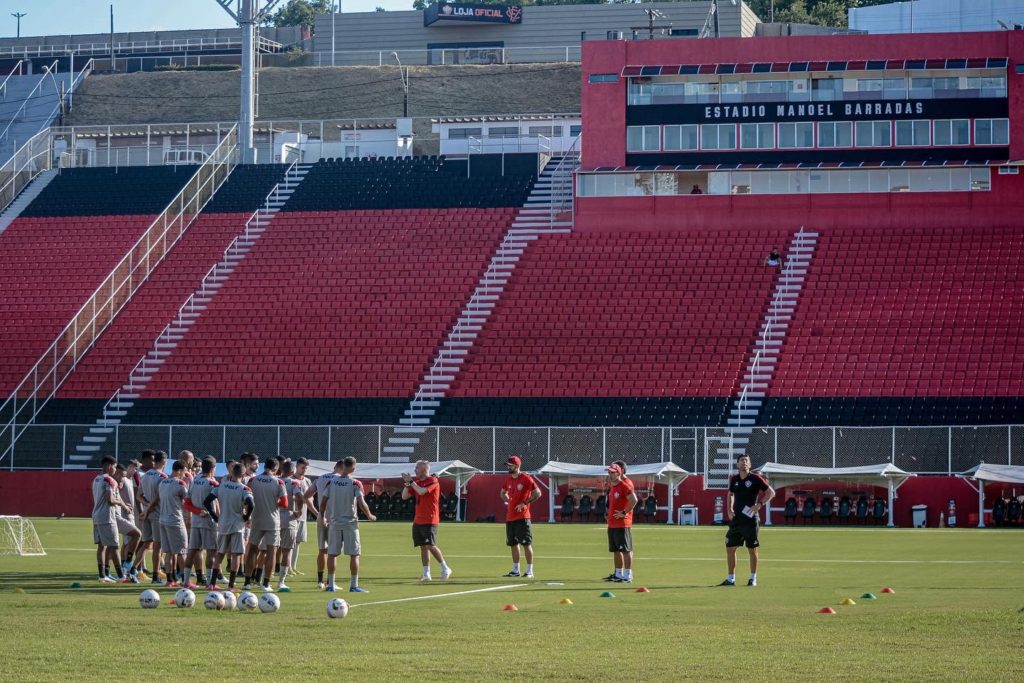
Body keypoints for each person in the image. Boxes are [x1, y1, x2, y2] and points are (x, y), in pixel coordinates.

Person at [320, 457, 377, 593]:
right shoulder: (355, 483)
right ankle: (354, 585)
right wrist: (369, 515)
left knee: (332, 554)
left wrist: (322, 516)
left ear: (343, 466)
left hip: (334, 523)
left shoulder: (331, 482)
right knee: (354, 554)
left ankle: (331, 585)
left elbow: (323, 501)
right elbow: (361, 502)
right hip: (350, 523)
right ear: (353, 468)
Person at [720, 455, 775, 587]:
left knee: (752, 549)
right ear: (737, 464)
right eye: (741, 461)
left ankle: (753, 578)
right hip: (737, 519)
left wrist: (760, 504)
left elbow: (771, 492)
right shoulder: (734, 479)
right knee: (730, 547)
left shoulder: (755, 478)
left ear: (749, 464)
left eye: (746, 461)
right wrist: (729, 509)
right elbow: (730, 494)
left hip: (750, 519)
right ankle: (731, 579)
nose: (744, 463)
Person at [204, 462, 254, 590]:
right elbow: (251, 504)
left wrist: (215, 516)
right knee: (237, 554)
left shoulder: (221, 486)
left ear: (232, 473)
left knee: (219, 554)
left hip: (223, 524)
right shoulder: (244, 489)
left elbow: (207, 501)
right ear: (243, 475)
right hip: (237, 525)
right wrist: (246, 517)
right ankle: (231, 585)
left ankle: (212, 584)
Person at [401, 460, 452, 582]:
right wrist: (407, 484)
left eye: (417, 468)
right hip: (418, 519)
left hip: (430, 518)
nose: (415, 470)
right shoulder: (417, 483)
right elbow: (404, 496)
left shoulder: (433, 481)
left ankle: (445, 568)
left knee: (430, 545)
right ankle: (426, 573)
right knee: (423, 547)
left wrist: (411, 482)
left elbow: (422, 492)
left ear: (424, 469)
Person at [244, 456, 288, 592]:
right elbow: (284, 504)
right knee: (271, 552)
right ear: (276, 468)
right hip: (272, 520)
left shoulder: (252, 480)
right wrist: (273, 503)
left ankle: (247, 583)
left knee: (252, 550)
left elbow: (246, 500)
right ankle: (266, 583)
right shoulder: (279, 482)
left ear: (264, 466)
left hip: (256, 518)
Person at [144, 460, 190, 588]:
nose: (184, 474)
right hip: (175, 520)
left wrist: (147, 510)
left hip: (162, 520)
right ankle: (185, 581)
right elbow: (186, 502)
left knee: (169, 552)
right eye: (184, 471)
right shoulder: (180, 483)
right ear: (180, 471)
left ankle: (170, 581)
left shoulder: (163, 482)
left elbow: (157, 498)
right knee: (181, 551)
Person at [500, 455, 541, 578]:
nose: (508, 467)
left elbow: (538, 493)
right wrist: (506, 498)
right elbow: (502, 493)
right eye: (507, 465)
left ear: (517, 466)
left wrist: (524, 503)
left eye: (510, 465)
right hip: (510, 517)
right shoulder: (508, 480)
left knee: (526, 544)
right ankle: (515, 570)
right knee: (513, 544)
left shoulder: (526, 478)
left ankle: (529, 571)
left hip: (523, 517)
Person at [306, 460, 342, 589]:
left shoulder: (320, 478)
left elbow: (306, 496)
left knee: (322, 550)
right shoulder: (342, 480)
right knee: (333, 552)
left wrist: (317, 513)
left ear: (334, 467)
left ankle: (320, 581)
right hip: (336, 519)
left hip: (322, 517)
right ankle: (330, 582)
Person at [184, 456, 219, 589]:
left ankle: (186, 581)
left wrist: (197, 512)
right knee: (212, 551)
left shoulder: (195, 481)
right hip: (208, 521)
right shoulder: (212, 483)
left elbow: (186, 503)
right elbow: (215, 503)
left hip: (196, 521)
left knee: (192, 550)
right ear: (212, 468)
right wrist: (217, 517)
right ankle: (210, 583)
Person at [91, 456, 125, 584]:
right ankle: (122, 576)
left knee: (101, 546)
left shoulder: (96, 479)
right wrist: (120, 503)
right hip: (107, 517)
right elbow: (110, 499)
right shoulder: (109, 480)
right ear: (110, 465)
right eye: (115, 467)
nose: (115, 470)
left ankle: (102, 575)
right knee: (114, 546)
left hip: (96, 515)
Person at [136, 450, 167, 584]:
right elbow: (159, 497)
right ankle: (155, 576)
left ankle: (133, 570)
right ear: (164, 462)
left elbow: (138, 496)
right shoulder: (163, 477)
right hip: (157, 514)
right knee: (157, 546)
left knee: (146, 543)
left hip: (146, 513)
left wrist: (146, 506)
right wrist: (150, 506)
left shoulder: (145, 475)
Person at [604, 463, 637, 583]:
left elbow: (634, 500)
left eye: (613, 472)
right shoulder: (612, 486)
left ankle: (628, 575)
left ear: (619, 472)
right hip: (612, 524)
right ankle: (618, 574)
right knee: (615, 550)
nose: (610, 474)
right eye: (609, 472)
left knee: (625, 550)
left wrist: (624, 512)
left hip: (622, 524)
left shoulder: (624, 485)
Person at [112, 462, 141, 582]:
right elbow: (115, 495)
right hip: (124, 514)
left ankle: (124, 569)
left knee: (127, 543)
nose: (134, 470)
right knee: (129, 541)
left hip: (129, 514)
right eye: (133, 467)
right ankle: (126, 569)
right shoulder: (121, 480)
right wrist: (124, 505)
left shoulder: (129, 480)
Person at [274, 459, 299, 591]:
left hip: (274, 517)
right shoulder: (294, 482)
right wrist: (298, 512)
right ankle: (281, 581)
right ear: (293, 471)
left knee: (270, 550)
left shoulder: (276, 480)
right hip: (288, 517)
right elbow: (300, 496)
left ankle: (263, 580)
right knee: (286, 551)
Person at [290, 457, 312, 574]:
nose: (304, 470)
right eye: (302, 468)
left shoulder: (307, 481)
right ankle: (287, 567)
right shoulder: (290, 480)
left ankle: (293, 566)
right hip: (292, 515)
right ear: (297, 466)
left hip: (303, 515)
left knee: (298, 542)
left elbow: (310, 498)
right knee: (289, 543)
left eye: (305, 468)